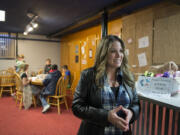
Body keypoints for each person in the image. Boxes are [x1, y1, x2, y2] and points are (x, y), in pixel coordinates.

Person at [72, 35, 140, 135]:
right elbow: (77, 107)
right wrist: (106, 116)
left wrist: (132, 113)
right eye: (113, 51)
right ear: (103, 53)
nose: (119, 55)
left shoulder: (128, 77)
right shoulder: (88, 75)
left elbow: (136, 104)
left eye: (121, 51)